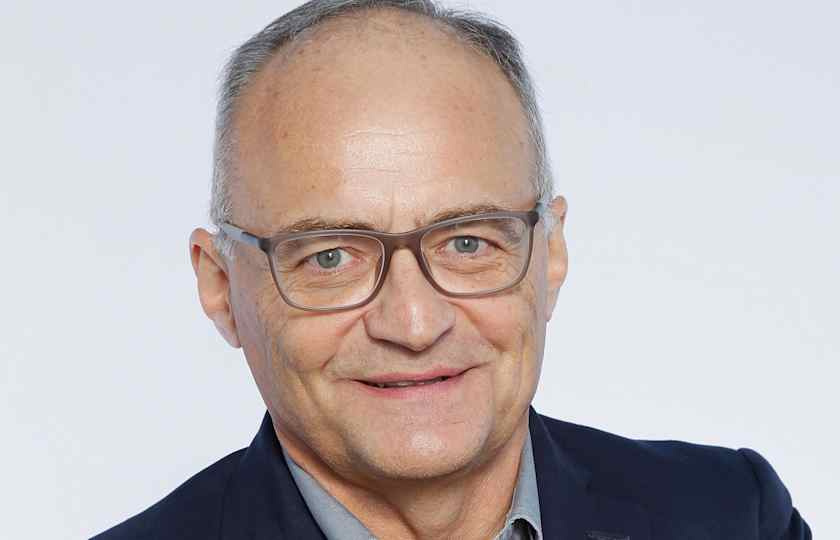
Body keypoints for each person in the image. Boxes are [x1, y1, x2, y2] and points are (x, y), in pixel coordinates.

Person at [93, 1, 811, 538]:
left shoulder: (732, 517)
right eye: (330, 256)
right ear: (220, 288)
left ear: (550, 253)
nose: (414, 323)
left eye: (467, 243)